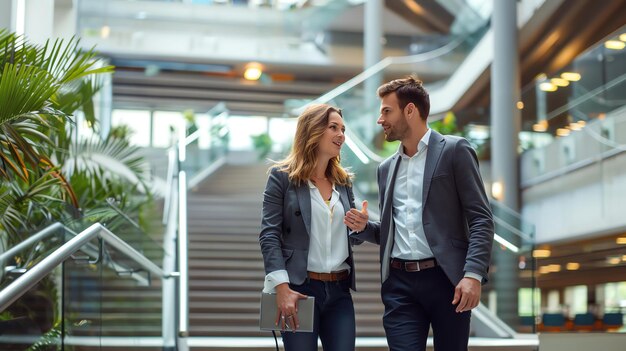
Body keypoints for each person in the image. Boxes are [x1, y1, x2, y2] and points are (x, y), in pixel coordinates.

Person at [345, 76, 494, 351]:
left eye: (387, 111)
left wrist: (472, 274)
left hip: (447, 281)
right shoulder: (385, 169)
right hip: (400, 285)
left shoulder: (454, 151)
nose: (381, 120)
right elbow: (392, 232)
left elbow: (481, 219)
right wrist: (365, 227)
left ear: (410, 110)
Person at [259, 103, 367, 351]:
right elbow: (269, 235)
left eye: (343, 129)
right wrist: (282, 288)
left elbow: (354, 238)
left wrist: (359, 226)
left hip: (339, 291)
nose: (341, 135)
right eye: (333, 127)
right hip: (299, 289)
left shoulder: (343, 182)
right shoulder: (282, 177)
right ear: (313, 130)